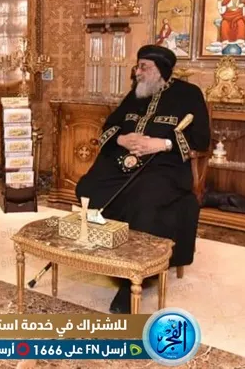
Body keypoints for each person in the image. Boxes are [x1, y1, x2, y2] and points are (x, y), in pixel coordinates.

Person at [75, 45, 210, 314]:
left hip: (165, 166)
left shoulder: (189, 94)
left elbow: (201, 139)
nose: (138, 72)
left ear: (162, 70)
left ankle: (132, 279)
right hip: (123, 163)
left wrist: (161, 143)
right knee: (88, 187)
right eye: (138, 66)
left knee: (144, 198)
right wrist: (122, 139)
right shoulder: (136, 93)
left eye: (144, 67)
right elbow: (110, 126)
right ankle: (107, 253)